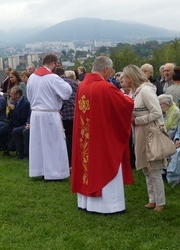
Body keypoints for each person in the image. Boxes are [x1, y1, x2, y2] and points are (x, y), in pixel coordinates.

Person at [71, 56, 134, 214]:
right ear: (105, 69)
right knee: (104, 164)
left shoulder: (83, 85)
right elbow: (125, 105)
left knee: (87, 165)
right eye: (111, 70)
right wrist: (129, 96)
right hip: (102, 136)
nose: (112, 73)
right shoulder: (105, 87)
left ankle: (86, 203)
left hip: (86, 134)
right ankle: (109, 206)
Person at [124, 64, 166, 211]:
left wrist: (137, 121)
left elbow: (157, 113)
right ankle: (152, 198)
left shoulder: (146, 91)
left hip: (150, 132)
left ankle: (160, 201)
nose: (122, 80)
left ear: (131, 77)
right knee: (145, 167)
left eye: (125, 77)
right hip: (140, 132)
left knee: (153, 167)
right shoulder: (135, 92)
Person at [27, 54, 72, 180]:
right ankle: (54, 173)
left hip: (36, 113)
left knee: (39, 143)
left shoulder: (32, 77)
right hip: (49, 113)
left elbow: (29, 95)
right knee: (53, 143)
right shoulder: (52, 78)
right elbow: (67, 92)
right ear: (53, 63)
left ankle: (40, 170)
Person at [0, 86, 30, 158]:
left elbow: (22, 118)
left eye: (12, 93)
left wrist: (14, 110)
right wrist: (9, 111)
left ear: (17, 95)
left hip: (19, 124)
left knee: (12, 145)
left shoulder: (25, 103)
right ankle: (4, 149)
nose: (10, 95)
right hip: (11, 124)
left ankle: (18, 151)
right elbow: (9, 116)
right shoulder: (13, 102)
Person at [56, 67, 78, 167]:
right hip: (76, 112)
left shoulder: (58, 83)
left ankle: (70, 162)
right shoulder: (73, 82)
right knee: (75, 139)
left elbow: (60, 99)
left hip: (66, 113)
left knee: (68, 139)